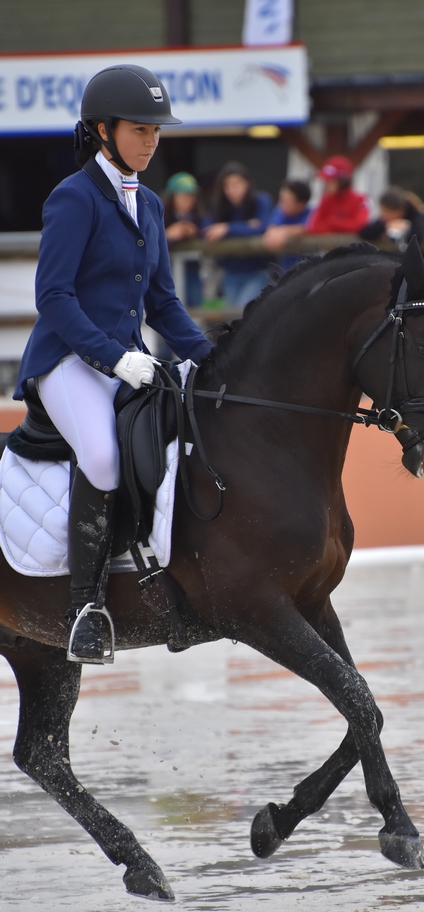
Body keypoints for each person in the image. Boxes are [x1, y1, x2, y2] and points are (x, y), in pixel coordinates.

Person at [13, 64, 213, 664]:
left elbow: (163, 302)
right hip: (68, 361)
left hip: (129, 360)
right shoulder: (73, 197)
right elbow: (53, 297)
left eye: (157, 131)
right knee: (101, 456)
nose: (151, 141)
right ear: (102, 130)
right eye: (140, 129)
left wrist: (214, 357)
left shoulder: (148, 203)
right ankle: (85, 610)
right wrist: (113, 358)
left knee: (181, 437)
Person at [203, 161, 273, 308]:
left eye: (237, 184)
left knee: (243, 312)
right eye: (227, 186)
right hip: (230, 272)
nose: (232, 190)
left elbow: (263, 227)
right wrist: (245, 227)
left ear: (247, 183)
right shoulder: (220, 205)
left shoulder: (261, 200)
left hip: (257, 270)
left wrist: (227, 228)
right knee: (232, 319)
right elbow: (207, 229)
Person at [163, 171, 205, 306]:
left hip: (192, 273)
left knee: (195, 310)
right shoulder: (159, 215)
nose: (188, 200)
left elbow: (210, 231)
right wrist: (167, 235)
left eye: (191, 195)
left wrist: (197, 233)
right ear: (172, 197)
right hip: (165, 274)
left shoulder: (200, 216)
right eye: (183, 195)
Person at [306, 156, 370, 234]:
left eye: (331, 181)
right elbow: (314, 226)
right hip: (328, 245)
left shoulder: (360, 199)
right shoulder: (326, 199)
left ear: (343, 181)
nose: (326, 184)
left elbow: (359, 226)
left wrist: (331, 222)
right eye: (326, 181)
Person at [262, 178, 312, 272]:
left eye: (287, 200)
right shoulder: (279, 211)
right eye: (281, 198)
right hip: (284, 269)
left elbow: (307, 227)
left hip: (308, 269)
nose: (281, 203)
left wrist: (284, 231)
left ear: (301, 203)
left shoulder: (311, 213)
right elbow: (271, 229)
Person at [360, 187, 424, 249]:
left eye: (387, 211)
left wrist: (403, 228)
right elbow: (365, 233)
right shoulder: (385, 221)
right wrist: (387, 226)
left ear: (399, 211)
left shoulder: (414, 216)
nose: (383, 215)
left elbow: (419, 235)